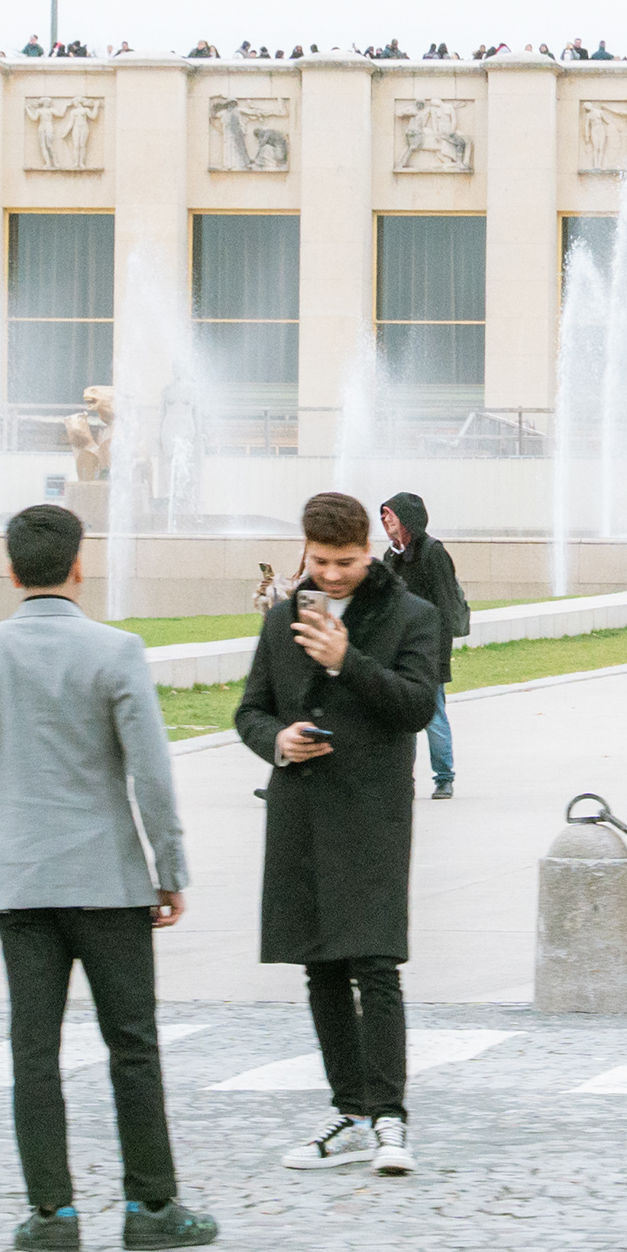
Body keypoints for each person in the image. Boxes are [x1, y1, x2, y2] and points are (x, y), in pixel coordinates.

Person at [0, 503, 217, 1252]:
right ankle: (151, 1205)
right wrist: (170, 868)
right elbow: (151, 774)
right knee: (133, 1045)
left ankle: (51, 1215)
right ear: (80, 566)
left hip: (17, 884)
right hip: (109, 879)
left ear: (12, 570)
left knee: (33, 1049)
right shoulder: (116, 651)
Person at [233, 491, 447, 1176]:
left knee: (375, 963)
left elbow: (416, 706)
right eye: (320, 561)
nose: (332, 575)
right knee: (319, 963)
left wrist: (346, 658)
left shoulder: (413, 615)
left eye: (347, 562)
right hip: (302, 809)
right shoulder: (282, 622)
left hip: (373, 810)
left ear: (366, 550)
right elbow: (249, 712)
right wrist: (278, 740)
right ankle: (349, 1111)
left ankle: (391, 1118)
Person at [377, 490, 470, 799]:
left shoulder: (433, 553)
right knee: (402, 717)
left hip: (428, 649)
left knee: (433, 715)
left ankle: (444, 777)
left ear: (407, 519)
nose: (384, 519)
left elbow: (444, 607)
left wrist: (440, 656)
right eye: (383, 514)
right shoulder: (391, 555)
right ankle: (404, 778)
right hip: (396, 648)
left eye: (390, 514)